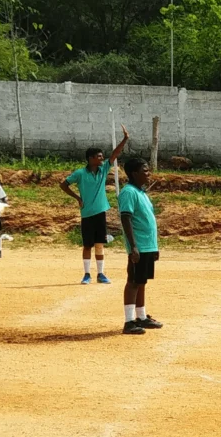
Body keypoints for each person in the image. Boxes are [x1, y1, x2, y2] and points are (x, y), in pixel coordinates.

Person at [60, 125, 129, 285]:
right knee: (87, 245)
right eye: (99, 156)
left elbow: (115, 154)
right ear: (91, 158)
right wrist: (77, 197)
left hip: (100, 213)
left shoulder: (104, 169)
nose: (102, 158)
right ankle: (86, 274)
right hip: (87, 214)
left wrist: (125, 139)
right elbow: (63, 185)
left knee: (99, 244)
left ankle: (100, 274)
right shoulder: (80, 173)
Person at [118, 158, 163, 335]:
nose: (148, 173)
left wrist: (154, 247)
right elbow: (126, 218)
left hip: (147, 245)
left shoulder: (142, 192)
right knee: (133, 282)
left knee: (141, 281)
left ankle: (141, 316)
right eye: (145, 170)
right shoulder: (129, 192)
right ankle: (129, 321)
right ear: (134, 173)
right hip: (139, 245)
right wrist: (133, 246)